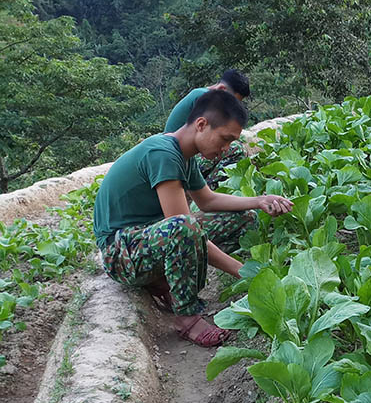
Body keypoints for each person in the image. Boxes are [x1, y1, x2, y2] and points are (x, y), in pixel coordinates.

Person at [94, 90, 292, 347]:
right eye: (225, 139)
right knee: (185, 228)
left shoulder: (184, 156)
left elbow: (207, 200)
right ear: (201, 124)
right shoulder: (163, 154)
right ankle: (186, 317)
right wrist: (245, 272)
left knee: (244, 219)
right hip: (120, 252)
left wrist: (260, 201)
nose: (226, 149)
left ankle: (164, 279)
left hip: (149, 234)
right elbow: (183, 227)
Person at [164, 69, 251, 188]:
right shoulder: (205, 97)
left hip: (182, 154)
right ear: (222, 89)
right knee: (236, 149)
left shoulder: (199, 93)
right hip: (179, 154)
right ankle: (210, 187)